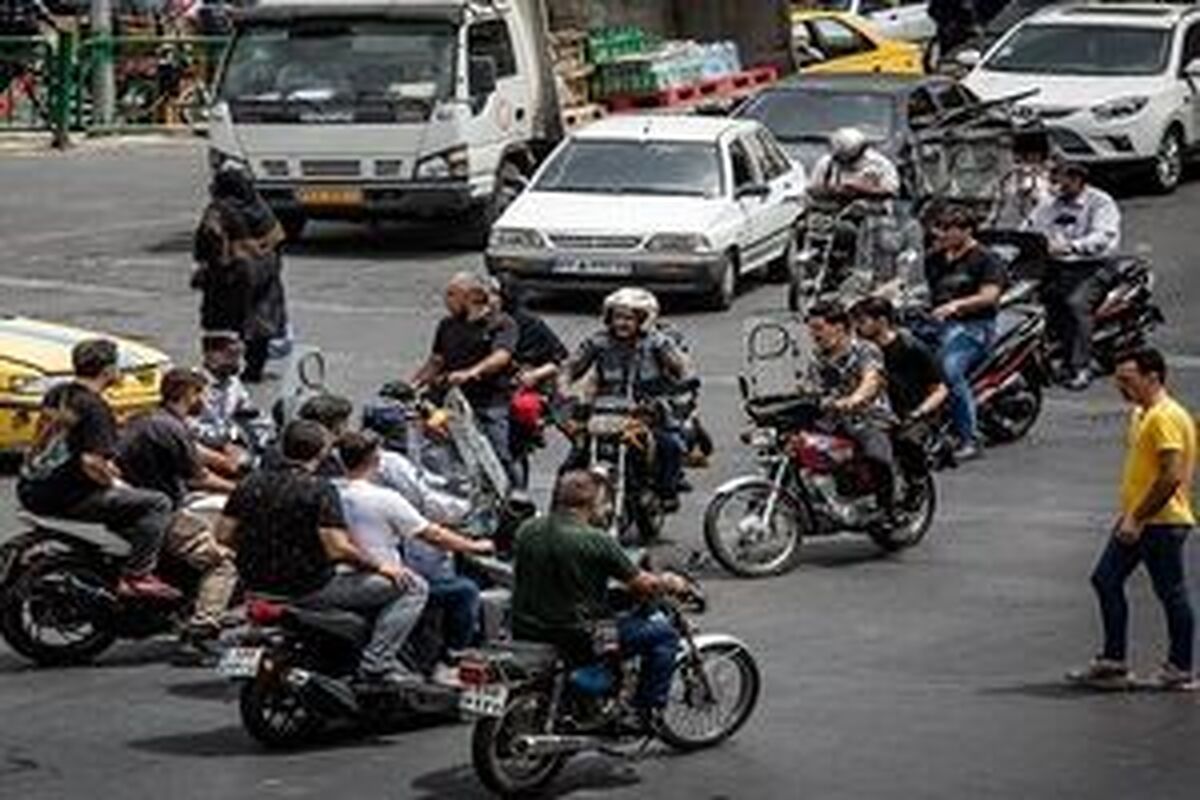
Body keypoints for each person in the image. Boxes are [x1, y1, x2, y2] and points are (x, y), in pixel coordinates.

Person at [215, 420, 428, 686]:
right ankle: (378, 663)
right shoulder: (319, 489)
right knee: (413, 587)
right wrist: (380, 566)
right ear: (322, 452)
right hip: (309, 587)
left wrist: (260, 547)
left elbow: (223, 535)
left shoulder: (249, 483)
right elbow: (337, 547)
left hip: (256, 584)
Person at [512, 470, 691, 732]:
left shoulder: (528, 529)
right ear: (593, 503)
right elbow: (644, 584)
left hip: (525, 627)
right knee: (664, 635)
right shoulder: (596, 540)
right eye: (605, 501)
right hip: (578, 634)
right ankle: (644, 712)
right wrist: (671, 582)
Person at [1068, 348, 1196, 691]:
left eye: (1128, 380)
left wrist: (1137, 517)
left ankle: (1179, 668)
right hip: (1141, 518)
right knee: (1106, 580)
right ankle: (1114, 662)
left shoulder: (1165, 417)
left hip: (1159, 521)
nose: (1121, 388)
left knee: (1169, 591)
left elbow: (1170, 476)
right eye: (1118, 380)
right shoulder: (1143, 414)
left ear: (1152, 377)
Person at [17, 339, 177, 599]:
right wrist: (115, 482)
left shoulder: (60, 393)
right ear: (107, 370)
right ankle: (137, 575)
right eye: (117, 366)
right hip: (67, 497)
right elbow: (91, 463)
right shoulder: (95, 407)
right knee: (158, 503)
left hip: (32, 488)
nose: (119, 371)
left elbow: (50, 437)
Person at [336, 432, 495, 680]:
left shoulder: (331, 491)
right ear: (376, 460)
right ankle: (449, 660)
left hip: (339, 580)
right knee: (463, 590)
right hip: (373, 580)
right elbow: (433, 534)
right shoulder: (385, 498)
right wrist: (475, 546)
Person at [116, 368, 238, 659]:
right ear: (187, 394)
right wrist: (239, 490)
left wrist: (224, 459)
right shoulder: (171, 428)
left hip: (132, 504)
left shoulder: (148, 418)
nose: (204, 400)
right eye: (201, 393)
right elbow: (198, 477)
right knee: (222, 562)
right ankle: (202, 630)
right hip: (160, 511)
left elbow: (194, 452)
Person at [560, 288, 692, 512]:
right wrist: (565, 392)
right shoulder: (597, 342)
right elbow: (570, 368)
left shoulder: (657, 343)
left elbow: (682, 370)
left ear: (643, 320)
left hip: (647, 413)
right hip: (603, 414)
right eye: (617, 317)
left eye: (629, 318)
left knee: (671, 446)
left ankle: (666, 493)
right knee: (571, 464)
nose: (622, 323)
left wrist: (674, 389)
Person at [1027, 162, 1122, 391]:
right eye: (1054, 179)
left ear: (1077, 179)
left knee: (1076, 304)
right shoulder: (1049, 203)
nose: (1056, 186)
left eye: (1061, 180)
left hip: (1093, 265)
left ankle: (1081, 366)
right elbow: (1029, 228)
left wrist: (1072, 246)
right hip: (1057, 265)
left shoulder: (1101, 202)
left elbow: (1103, 236)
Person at [413, 272, 519, 477]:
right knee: (429, 438)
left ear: (472, 296)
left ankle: (512, 491)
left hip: (488, 403)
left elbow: (501, 356)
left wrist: (472, 372)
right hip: (450, 402)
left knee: (498, 454)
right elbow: (436, 361)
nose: (446, 300)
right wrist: (413, 384)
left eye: (452, 294)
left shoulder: (502, 323)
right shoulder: (447, 324)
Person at [921, 204, 1005, 462]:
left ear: (967, 231)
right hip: (936, 322)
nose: (941, 234)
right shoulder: (934, 257)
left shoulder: (987, 259)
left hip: (974, 327)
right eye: (940, 228)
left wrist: (957, 305)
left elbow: (990, 296)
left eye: (949, 229)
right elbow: (913, 284)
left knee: (949, 372)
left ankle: (969, 439)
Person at [192, 164, 287, 383]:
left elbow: (208, 242)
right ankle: (254, 369)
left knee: (220, 323)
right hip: (264, 274)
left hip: (229, 278)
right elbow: (278, 239)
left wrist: (208, 269)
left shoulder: (219, 211)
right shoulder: (261, 208)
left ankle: (222, 369)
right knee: (259, 322)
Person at [805, 301, 897, 522]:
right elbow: (808, 388)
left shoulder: (865, 350)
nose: (814, 335)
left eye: (819, 328)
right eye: (811, 329)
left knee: (876, 456)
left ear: (838, 327)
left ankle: (886, 508)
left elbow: (871, 379)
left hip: (869, 416)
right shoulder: (816, 356)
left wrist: (855, 398)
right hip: (831, 418)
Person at [851, 296, 948, 486]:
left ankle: (916, 482)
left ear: (882, 321)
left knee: (905, 441)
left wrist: (919, 412)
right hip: (877, 415)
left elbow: (940, 390)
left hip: (910, 414)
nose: (857, 328)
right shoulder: (860, 351)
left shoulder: (911, 348)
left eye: (862, 322)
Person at [490, 278, 568, 488]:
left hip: (516, 393)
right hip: (483, 392)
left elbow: (558, 358)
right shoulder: (471, 320)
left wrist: (534, 375)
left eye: (493, 294)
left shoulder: (528, 323)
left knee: (511, 449)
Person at [809, 127, 901, 201]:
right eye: (840, 159)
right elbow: (812, 190)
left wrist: (861, 190)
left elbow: (892, 192)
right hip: (832, 209)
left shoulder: (880, 164)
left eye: (850, 158)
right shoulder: (826, 163)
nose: (845, 163)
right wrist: (832, 191)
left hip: (871, 211)